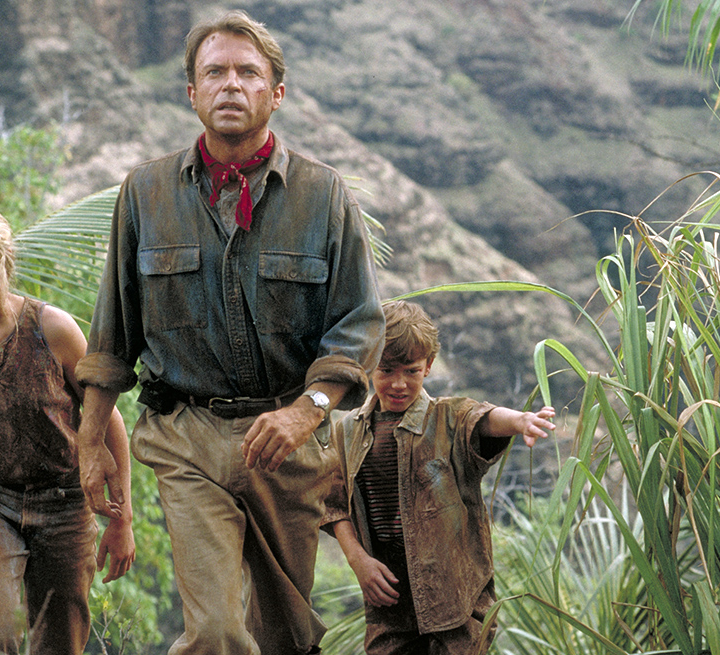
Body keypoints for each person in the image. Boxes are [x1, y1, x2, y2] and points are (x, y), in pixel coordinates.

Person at [71, 9, 385, 655]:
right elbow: (112, 333)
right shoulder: (145, 194)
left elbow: (358, 325)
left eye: (248, 72)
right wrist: (90, 438)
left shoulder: (324, 196)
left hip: (288, 443)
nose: (231, 85)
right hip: (187, 436)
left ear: (277, 91)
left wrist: (307, 410)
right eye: (214, 72)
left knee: (287, 637)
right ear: (191, 93)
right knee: (214, 631)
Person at [0, 198, 135, 655]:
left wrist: (121, 520)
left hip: (66, 498)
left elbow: (106, 421)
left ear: (1, 256)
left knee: (60, 640)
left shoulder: (50, 328)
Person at [323, 300, 556, 655]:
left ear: (428, 367)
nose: (399, 384)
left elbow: (484, 418)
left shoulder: (448, 418)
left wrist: (521, 420)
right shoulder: (347, 432)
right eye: (386, 370)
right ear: (368, 363)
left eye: (411, 371)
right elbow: (335, 505)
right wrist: (358, 561)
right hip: (389, 606)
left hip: (457, 604)